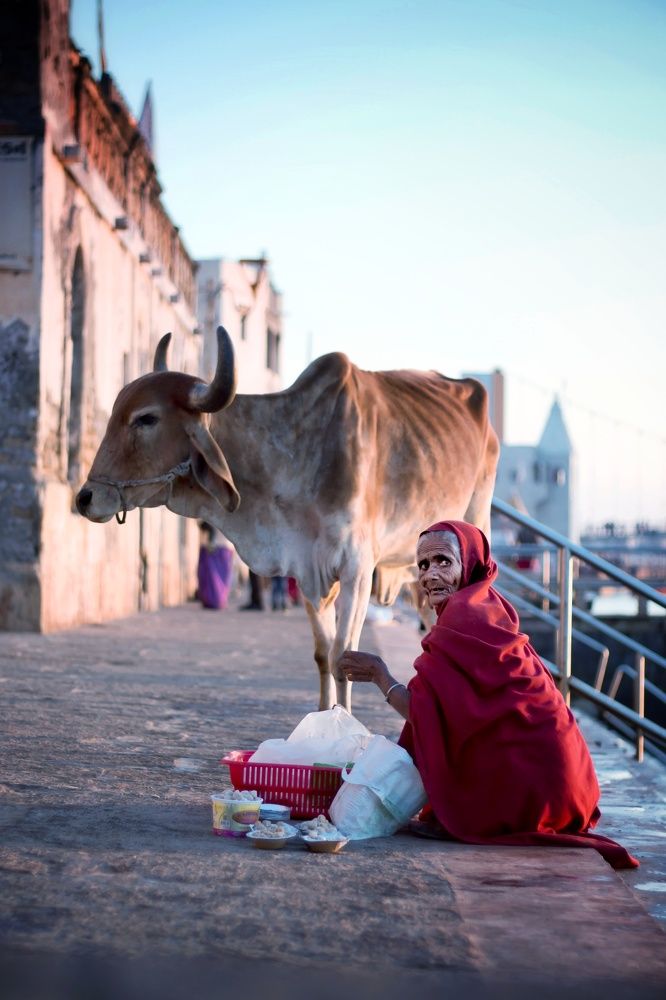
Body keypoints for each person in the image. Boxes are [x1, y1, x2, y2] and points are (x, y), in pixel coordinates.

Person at [338, 519, 638, 870]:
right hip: (572, 789)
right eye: (423, 565)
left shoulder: (462, 617)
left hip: (543, 792)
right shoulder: (488, 605)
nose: (430, 575)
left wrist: (379, 674)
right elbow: (453, 711)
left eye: (443, 562)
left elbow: (424, 712)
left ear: (471, 563)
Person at [197, 522, 234, 610]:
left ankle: (214, 601)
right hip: (224, 546)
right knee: (219, 577)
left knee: (213, 577)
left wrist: (211, 541)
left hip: (215, 547)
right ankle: (216, 601)